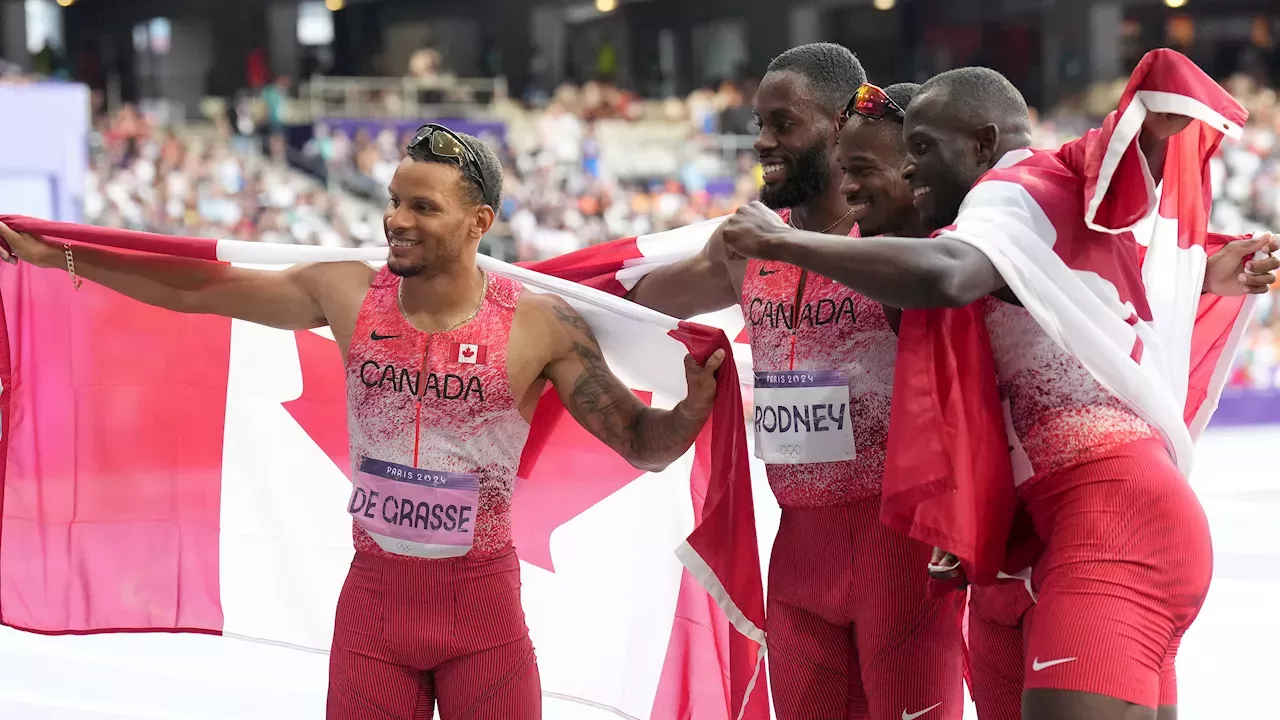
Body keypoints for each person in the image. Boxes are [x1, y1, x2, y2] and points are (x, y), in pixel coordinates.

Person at [0, 124, 726, 720]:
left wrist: (690, 413)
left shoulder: (539, 326)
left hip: (483, 619)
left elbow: (642, 446)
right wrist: (66, 256)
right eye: (394, 200)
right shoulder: (349, 294)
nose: (396, 221)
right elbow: (198, 289)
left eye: (423, 207)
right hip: (374, 615)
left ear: (480, 223)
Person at [715, 63, 1279, 720]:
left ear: (981, 143)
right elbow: (1083, 276)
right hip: (1019, 544)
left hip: (1107, 520)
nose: (887, 178)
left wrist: (791, 243)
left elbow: (954, 274)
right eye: (849, 169)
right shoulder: (973, 230)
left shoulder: (1010, 191)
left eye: (910, 155)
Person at [628, 42, 967, 720]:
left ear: (843, 127)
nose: (762, 142)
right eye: (759, 124)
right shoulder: (745, 247)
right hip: (797, 551)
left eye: (783, 124)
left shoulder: (902, 242)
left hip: (898, 544)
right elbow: (629, 302)